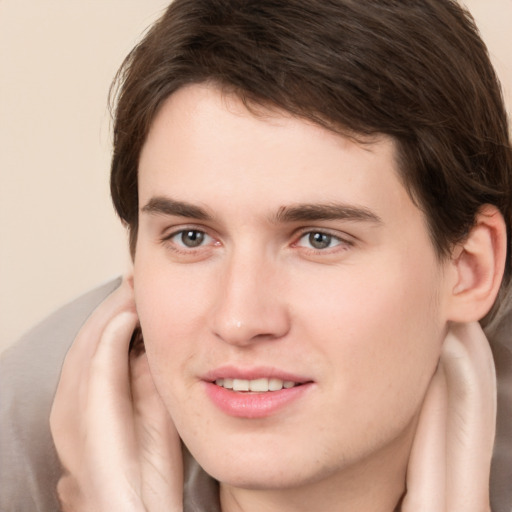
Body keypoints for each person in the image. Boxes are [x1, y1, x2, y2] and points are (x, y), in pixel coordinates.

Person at [1, 0, 511, 511]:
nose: (240, 319)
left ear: (469, 269)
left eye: (318, 239)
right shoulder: (20, 452)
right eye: (192, 237)